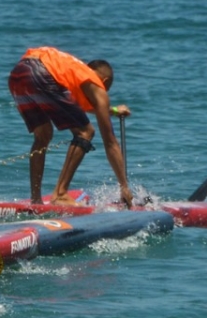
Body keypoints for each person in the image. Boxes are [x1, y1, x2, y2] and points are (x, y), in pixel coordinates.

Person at [7, 47, 133, 206]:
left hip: (19, 74)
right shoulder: (96, 85)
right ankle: (60, 194)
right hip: (42, 73)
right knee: (86, 132)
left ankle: (36, 200)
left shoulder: (73, 71)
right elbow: (110, 142)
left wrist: (112, 110)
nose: (102, 95)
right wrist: (124, 186)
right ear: (105, 81)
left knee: (43, 136)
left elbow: (78, 107)